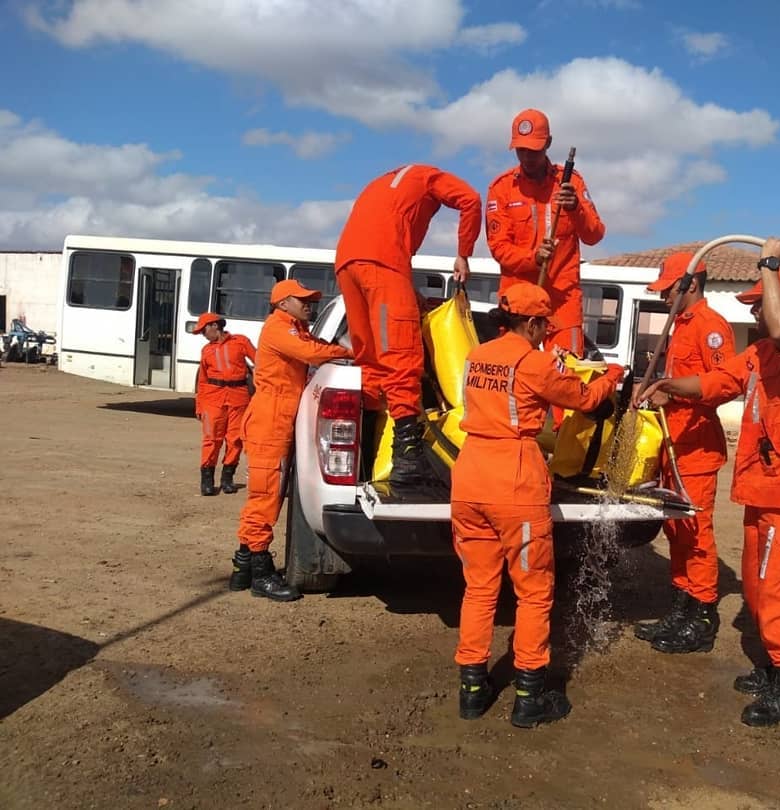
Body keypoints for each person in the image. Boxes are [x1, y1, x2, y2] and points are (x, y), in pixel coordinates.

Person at [638, 237, 780, 726]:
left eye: (759, 303)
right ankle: (772, 666)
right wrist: (667, 386)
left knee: (773, 589)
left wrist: (770, 264)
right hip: (763, 485)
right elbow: (717, 382)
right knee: (754, 584)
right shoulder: (761, 354)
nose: (753, 314)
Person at [451, 283, 623, 728]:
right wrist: (611, 376)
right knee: (533, 591)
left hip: (469, 475)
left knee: (478, 588)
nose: (547, 331)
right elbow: (585, 400)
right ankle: (529, 696)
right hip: (514, 479)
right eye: (544, 325)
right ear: (530, 323)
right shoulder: (535, 362)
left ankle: (472, 690)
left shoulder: (476, 355)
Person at [335, 164, 482, 487]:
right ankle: (408, 458)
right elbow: (470, 199)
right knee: (401, 354)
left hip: (347, 262)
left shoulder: (381, 183)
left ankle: (365, 456)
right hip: (384, 260)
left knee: (370, 360)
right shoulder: (428, 176)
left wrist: (409, 294)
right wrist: (463, 254)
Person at [631, 252, 735, 654]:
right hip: (673, 443)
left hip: (697, 448)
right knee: (676, 530)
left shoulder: (711, 327)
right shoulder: (681, 325)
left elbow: (725, 385)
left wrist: (671, 392)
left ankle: (702, 617)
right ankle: (681, 607)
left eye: (669, 289)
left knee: (696, 533)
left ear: (690, 284)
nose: (664, 297)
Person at [230, 279, 352, 601]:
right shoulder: (279, 328)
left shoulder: (295, 328)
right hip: (270, 423)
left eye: (309, 300)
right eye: (302, 300)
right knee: (265, 499)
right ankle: (261, 574)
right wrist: (350, 351)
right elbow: (312, 353)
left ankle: (243, 568)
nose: (308, 305)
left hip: (275, 420)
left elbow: (312, 347)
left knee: (263, 496)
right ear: (283, 303)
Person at [486, 109, 605, 359]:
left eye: (534, 149)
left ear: (548, 143)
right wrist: (534, 259)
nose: (527, 157)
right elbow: (499, 247)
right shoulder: (502, 188)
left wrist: (575, 208)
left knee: (566, 373)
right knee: (512, 370)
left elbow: (594, 235)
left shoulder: (571, 182)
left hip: (562, 300)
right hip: (517, 301)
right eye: (521, 150)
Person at [193, 312, 256, 496]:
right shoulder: (206, 350)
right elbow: (202, 381)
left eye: (204, 330)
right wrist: (199, 405)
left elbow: (260, 361)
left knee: (235, 439)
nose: (203, 335)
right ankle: (207, 481)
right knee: (211, 439)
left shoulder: (241, 342)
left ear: (215, 326)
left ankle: (227, 479)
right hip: (213, 398)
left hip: (239, 397)